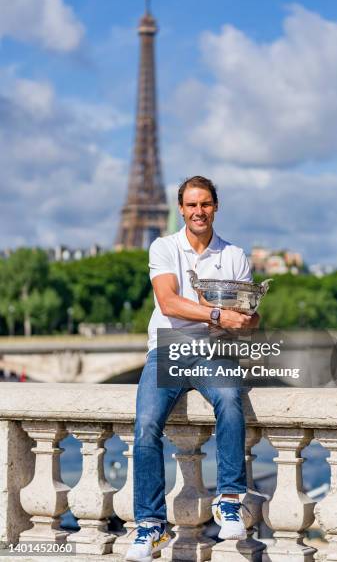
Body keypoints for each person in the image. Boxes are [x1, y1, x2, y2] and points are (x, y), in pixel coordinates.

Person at [125, 176, 259, 562]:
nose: (198, 211)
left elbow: (249, 317)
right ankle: (151, 526)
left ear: (216, 206)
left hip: (212, 350)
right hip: (167, 348)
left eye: (205, 204)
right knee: (147, 425)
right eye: (191, 205)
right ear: (181, 209)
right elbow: (168, 303)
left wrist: (245, 322)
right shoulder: (164, 247)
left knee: (231, 399)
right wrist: (217, 312)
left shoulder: (234, 256)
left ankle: (229, 498)